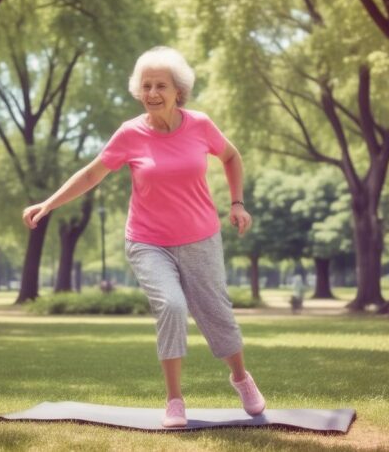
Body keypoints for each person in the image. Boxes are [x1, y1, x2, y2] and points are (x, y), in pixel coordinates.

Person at [22, 46, 265, 428]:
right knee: (170, 306)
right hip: (148, 241)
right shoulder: (130, 134)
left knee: (216, 314)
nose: (152, 93)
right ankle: (174, 400)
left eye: (161, 86)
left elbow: (231, 157)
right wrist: (48, 204)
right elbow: (90, 174)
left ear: (177, 91)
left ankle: (240, 377)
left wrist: (237, 203)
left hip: (200, 237)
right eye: (146, 85)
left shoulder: (200, 125)